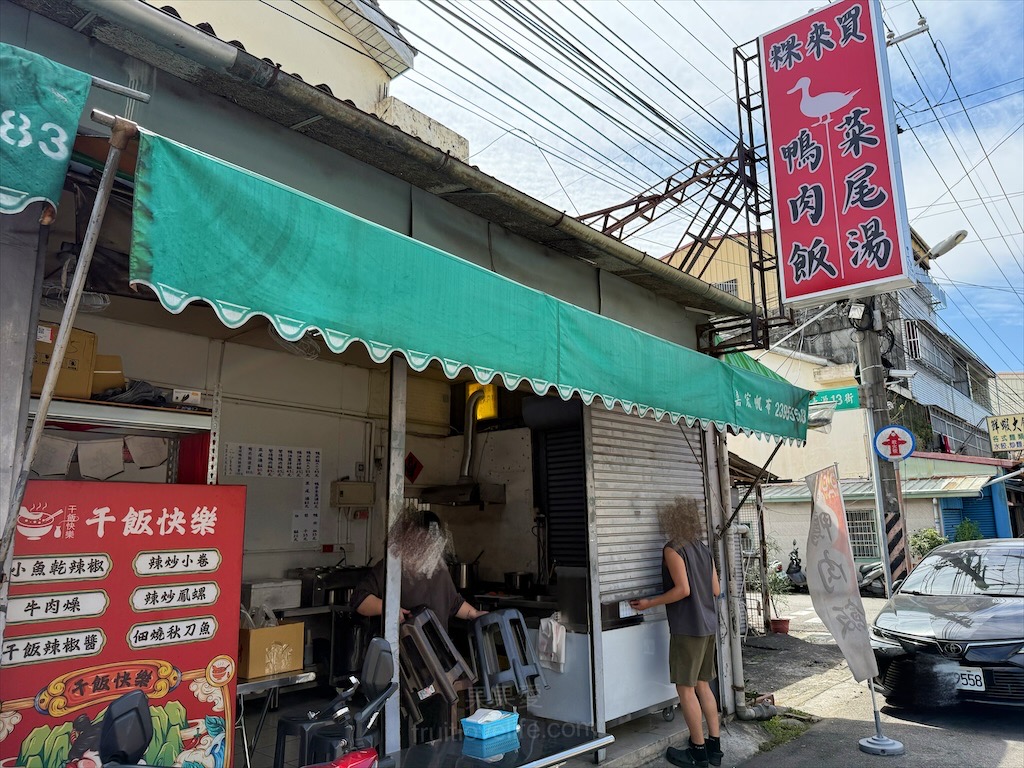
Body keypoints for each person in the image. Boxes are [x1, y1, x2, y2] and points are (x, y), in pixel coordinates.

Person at [629, 498, 722, 768]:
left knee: (685, 689)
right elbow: (715, 590)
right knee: (703, 684)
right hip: (708, 627)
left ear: (671, 521)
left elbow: (683, 590)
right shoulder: (703, 549)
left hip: (687, 628)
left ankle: (697, 751)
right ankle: (714, 749)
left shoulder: (673, 549)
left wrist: (649, 603)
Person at [350, 505, 487, 631]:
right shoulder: (391, 567)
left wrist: (473, 614)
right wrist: (389, 608)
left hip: (435, 650)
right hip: (401, 650)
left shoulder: (439, 569)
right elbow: (359, 599)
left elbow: (453, 603)